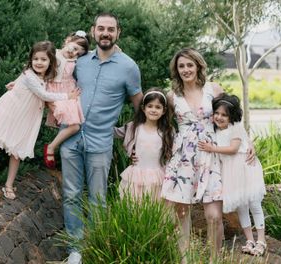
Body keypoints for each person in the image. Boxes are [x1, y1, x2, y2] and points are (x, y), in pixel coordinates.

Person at [60, 12, 143, 264]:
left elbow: (140, 107)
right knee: (71, 194)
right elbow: (54, 79)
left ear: (118, 33)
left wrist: (135, 139)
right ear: (93, 31)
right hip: (70, 138)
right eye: (101, 28)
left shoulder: (129, 67)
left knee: (98, 199)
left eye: (111, 29)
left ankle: (95, 248)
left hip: (99, 142)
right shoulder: (80, 61)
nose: (105, 33)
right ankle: (75, 250)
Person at [160, 47, 255, 262]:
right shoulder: (172, 96)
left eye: (189, 65)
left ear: (198, 66)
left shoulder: (213, 89)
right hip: (183, 158)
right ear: (177, 70)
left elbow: (234, 119)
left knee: (213, 216)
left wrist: (248, 143)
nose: (186, 69)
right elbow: (158, 124)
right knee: (181, 213)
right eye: (181, 66)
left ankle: (214, 259)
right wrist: (136, 145)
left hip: (211, 155)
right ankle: (184, 259)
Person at [0, 41, 80, 201]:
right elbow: (43, 95)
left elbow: (63, 54)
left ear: (51, 62)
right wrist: (68, 96)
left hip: (26, 116)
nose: (39, 63)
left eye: (43, 60)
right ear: (31, 60)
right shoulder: (29, 75)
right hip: (10, 111)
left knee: (16, 152)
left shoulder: (46, 77)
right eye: (36, 59)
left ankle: (9, 185)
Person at [198, 93, 267, 257]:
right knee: (241, 208)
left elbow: (233, 149)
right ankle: (249, 240)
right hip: (230, 173)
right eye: (217, 113)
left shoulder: (236, 127)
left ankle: (261, 240)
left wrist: (211, 148)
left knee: (254, 205)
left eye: (224, 115)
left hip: (245, 170)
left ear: (232, 116)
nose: (219, 117)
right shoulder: (214, 130)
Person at [114, 88, 174, 201]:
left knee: (156, 206)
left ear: (164, 110)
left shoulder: (167, 131)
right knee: (136, 205)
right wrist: (99, 122)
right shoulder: (133, 127)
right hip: (137, 175)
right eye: (150, 106)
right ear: (143, 108)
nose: (153, 110)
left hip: (158, 176)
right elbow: (115, 132)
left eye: (158, 107)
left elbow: (176, 150)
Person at [43, 31, 91, 169]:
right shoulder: (52, 54)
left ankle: (51, 147)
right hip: (53, 93)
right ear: (68, 40)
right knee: (72, 125)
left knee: (75, 126)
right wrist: (17, 82)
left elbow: (95, 53)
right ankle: (51, 148)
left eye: (79, 54)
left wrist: (116, 50)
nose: (75, 54)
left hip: (69, 93)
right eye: (75, 49)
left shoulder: (75, 59)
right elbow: (33, 68)